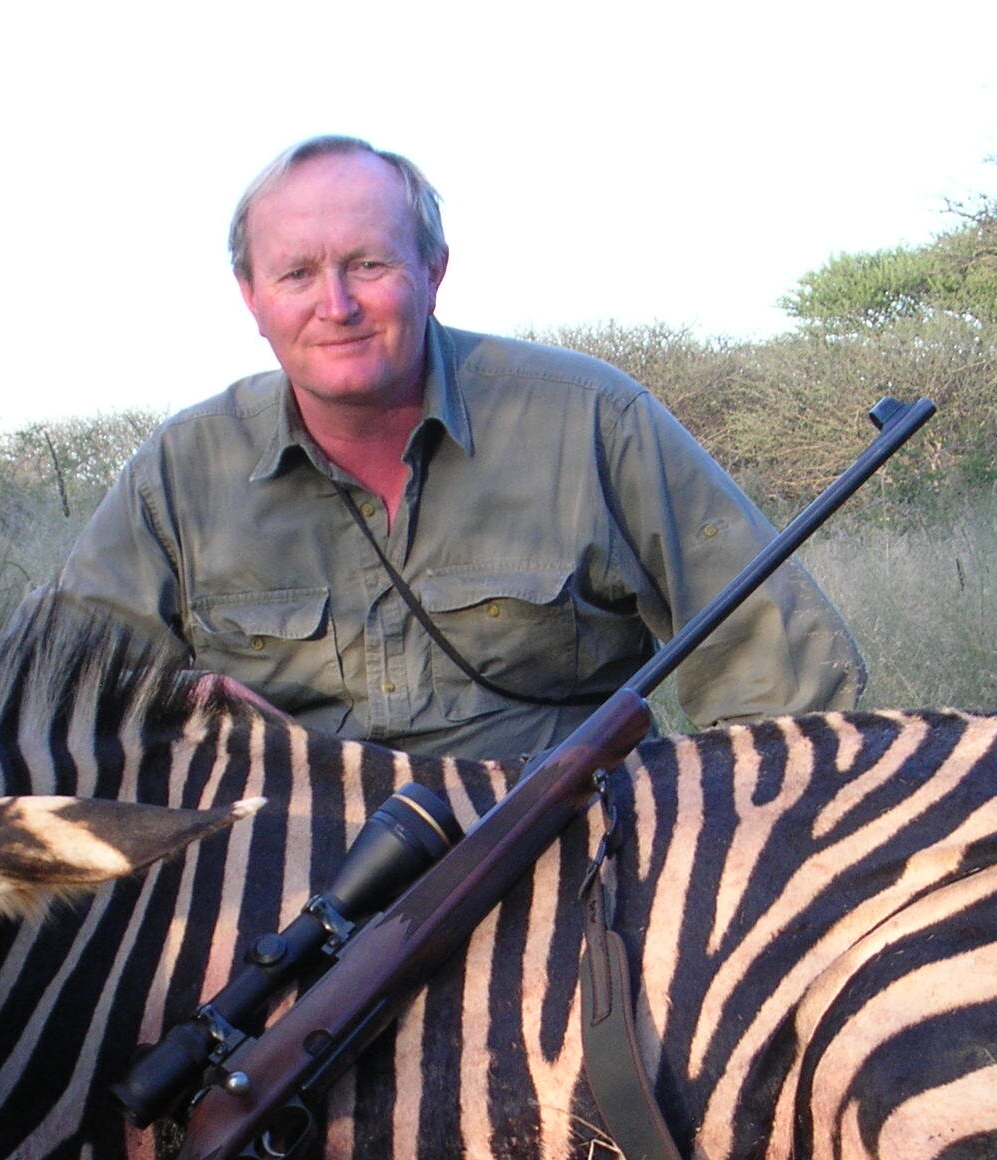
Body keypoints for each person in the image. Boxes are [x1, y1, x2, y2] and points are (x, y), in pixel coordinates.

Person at [53, 135, 866, 760]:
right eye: (297, 274)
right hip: (286, 887)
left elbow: (787, 685)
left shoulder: (592, 419)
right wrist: (183, 696)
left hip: (575, 864)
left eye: (368, 264)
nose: (335, 305)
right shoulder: (179, 471)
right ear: (252, 298)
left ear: (434, 270)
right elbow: (44, 695)